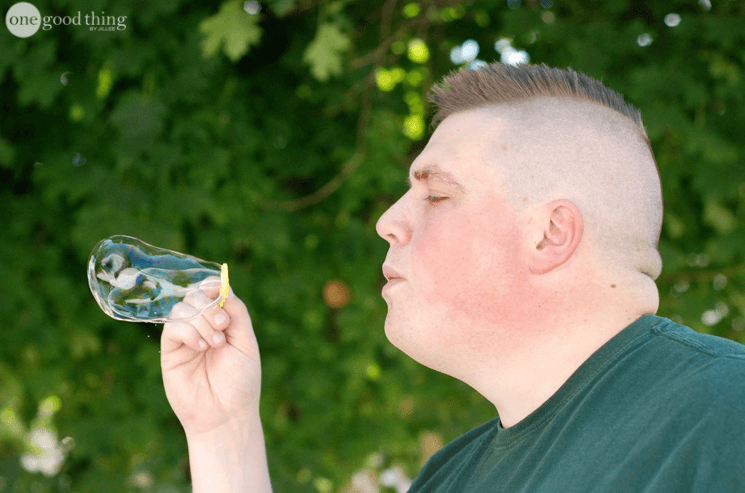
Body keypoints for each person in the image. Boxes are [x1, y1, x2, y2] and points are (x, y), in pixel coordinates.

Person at [159, 63, 745, 492]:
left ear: (549, 235)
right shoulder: (449, 479)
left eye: (435, 193)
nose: (388, 221)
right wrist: (223, 433)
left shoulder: (724, 415)